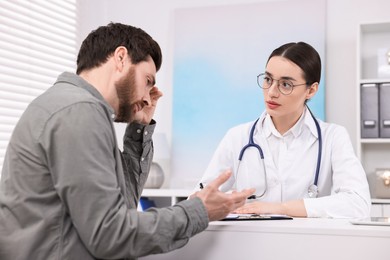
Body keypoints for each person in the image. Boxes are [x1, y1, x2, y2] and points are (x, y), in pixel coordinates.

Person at [0, 23, 254, 260]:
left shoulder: (72, 105)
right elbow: (110, 235)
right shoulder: (79, 111)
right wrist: (199, 211)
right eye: (148, 82)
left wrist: (139, 128)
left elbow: (123, 209)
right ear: (121, 58)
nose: (147, 97)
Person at [195, 42, 371, 218]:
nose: (271, 92)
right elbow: (198, 198)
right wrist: (213, 202)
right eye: (268, 79)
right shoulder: (237, 137)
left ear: (311, 90)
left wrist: (281, 208)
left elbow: (358, 203)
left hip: (308, 243)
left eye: (286, 84)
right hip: (249, 243)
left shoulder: (333, 137)